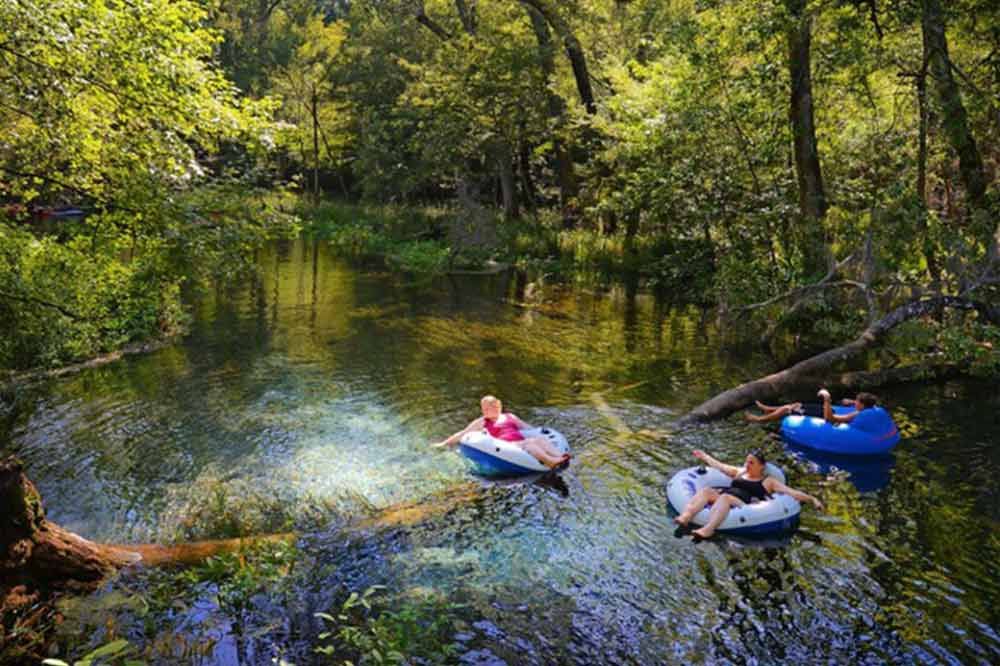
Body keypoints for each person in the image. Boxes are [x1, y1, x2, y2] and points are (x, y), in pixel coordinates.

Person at [673, 449, 823, 541]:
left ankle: (708, 529)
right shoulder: (740, 473)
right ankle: (686, 517)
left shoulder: (768, 481)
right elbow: (720, 466)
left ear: (761, 466)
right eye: (746, 462)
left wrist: (812, 499)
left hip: (743, 505)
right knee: (706, 491)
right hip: (725, 498)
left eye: (751, 463)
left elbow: (792, 492)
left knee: (725, 497)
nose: (747, 465)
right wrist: (705, 457)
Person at [432, 395, 571, 469]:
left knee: (539, 440)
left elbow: (530, 429)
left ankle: (561, 456)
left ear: (498, 406)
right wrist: (444, 444)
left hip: (521, 441)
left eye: (490, 406)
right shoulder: (483, 421)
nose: (486, 410)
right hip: (509, 446)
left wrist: (541, 432)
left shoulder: (510, 417)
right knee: (531, 444)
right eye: (484, 408)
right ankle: (551, 461)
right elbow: (462, 433)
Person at [745, 388, 879, 424]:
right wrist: (850, 402)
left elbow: (830, 419)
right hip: (826, 410)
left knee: (787, 410)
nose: (855, 402)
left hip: (823, 415)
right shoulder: (868, 409)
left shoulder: (855, 414)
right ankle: (767, 409)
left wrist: (827, 399)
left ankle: (759, 420)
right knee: (797, 404)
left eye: (857, 401)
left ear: (862, 405)